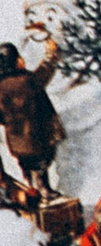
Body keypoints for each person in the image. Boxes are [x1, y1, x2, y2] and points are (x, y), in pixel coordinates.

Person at [0, 33, 62, 196]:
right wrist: (51, 53)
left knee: (27, 164)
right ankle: (43, 189)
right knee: (41, 163)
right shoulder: (27, 80)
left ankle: (31, 188)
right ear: (16, 61)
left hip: (16, 138)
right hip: (36, 135)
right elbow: (45, 71)